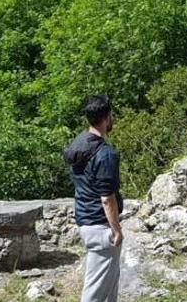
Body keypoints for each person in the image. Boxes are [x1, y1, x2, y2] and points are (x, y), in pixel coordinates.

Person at [63, 94, 123, 302]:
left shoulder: (79, 144)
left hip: (85, 220)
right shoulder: (105, 154)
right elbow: (107, 197)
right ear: (107, 118)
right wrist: (116, 229)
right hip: (101, 226)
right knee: (96, 291)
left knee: (107, 287)